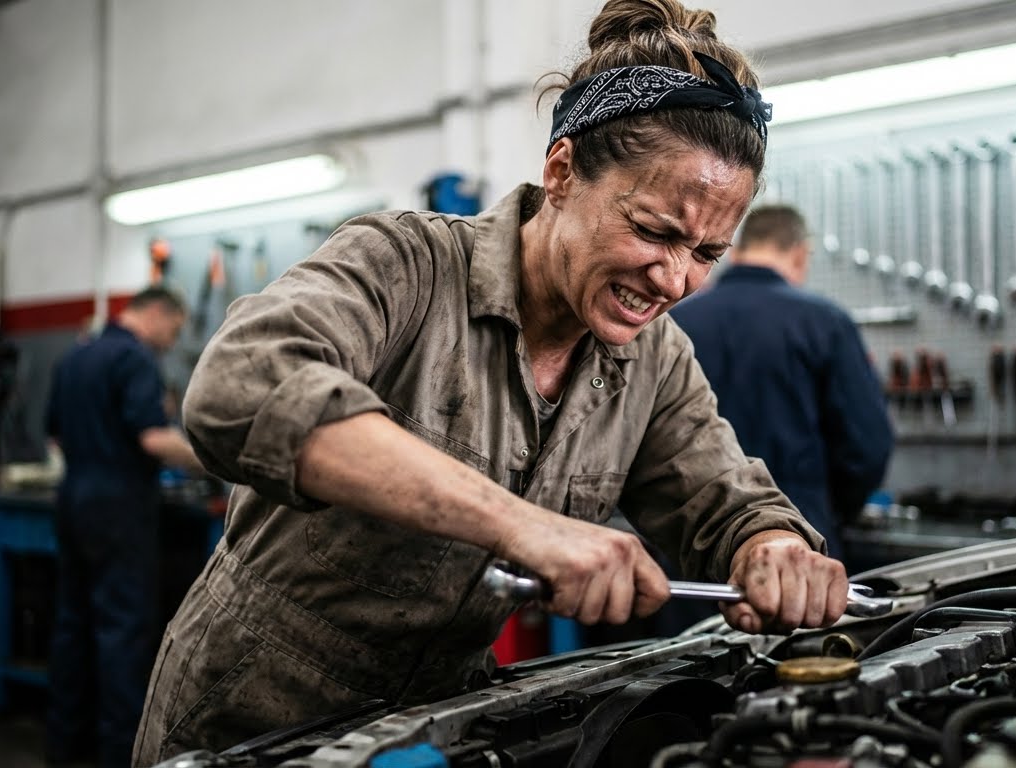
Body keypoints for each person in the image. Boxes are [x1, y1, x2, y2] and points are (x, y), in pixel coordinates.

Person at [134, 2, 849, 763]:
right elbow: (239, 388)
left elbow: (720, 497)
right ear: (561, 172)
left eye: (707, 252)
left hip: (442, 730)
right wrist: (524, 526)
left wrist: (771, 547)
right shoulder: (404, 264)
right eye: (652, 230)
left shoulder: (653, 360)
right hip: (255, 720)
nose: (674, 277)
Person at [672, 205, 893, 563]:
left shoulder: (677, 321)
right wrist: (829, 508)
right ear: (799, 254)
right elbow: (867, 445)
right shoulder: (824, 322)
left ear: (737, 250)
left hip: (687, 544)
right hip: (795, 543)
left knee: (698, 624)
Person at [45, 286, 204, 768]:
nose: (169, 344)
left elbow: (52, 432)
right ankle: (121, 755)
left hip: (72, 500)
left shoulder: (77, 356)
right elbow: (154, 438)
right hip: (118, 508)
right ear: (157, 313)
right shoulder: (134, 358)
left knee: (73, 624)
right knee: (123, 630)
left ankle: (65, 746)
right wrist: (216, 458)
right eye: (173, 332)